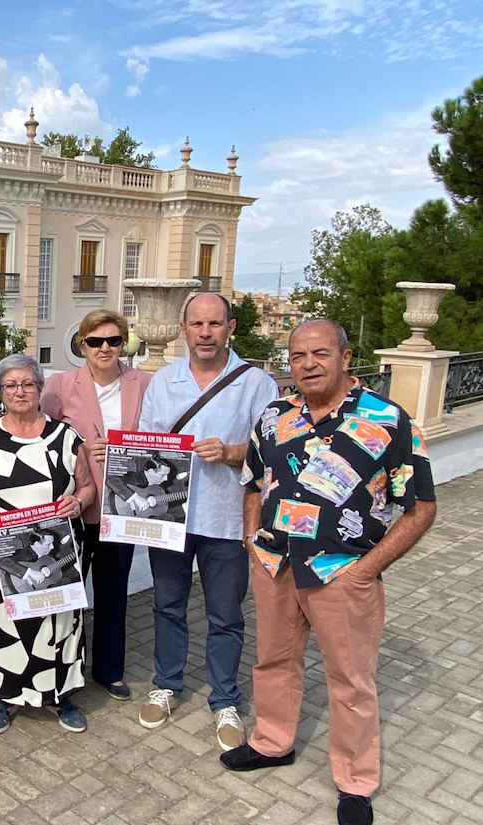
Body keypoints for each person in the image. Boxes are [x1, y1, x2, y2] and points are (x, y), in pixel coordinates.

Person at [223, 320, 436, 825]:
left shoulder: (388, 421)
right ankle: (274, 742)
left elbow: (421, 508)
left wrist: (366, 572)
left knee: (350, 681)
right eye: (298, 356)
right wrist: (253, 539)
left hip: (343, 573)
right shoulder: (275, 415)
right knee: (273, 662)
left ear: (346, 356)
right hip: (275, 566)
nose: (308, 364)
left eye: (320, 353)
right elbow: (253, 481)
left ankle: (355, 782)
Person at [136, 292, 279, 751]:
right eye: (196, 324)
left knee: (226, 615)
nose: (205, 332)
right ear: (184, 329)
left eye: (214, 324)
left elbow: (273, 452)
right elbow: (144, 447)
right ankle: (168, 683)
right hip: (169, 518)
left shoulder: (256, 383)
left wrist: (233, 453)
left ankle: (225, 699)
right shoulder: (164, 381)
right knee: (168, 607)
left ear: (230, 328)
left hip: (226, 518)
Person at [0, 353, 96, 734]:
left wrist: (79, 501)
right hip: (2, 552)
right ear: (1, 392)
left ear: (40, 388)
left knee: (57, 623)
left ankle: (61, 696)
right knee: (6, 622)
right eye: (10, 385)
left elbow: (86, 486)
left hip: (56, 553)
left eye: (27, 384)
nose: (19, 391)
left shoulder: (65, 437)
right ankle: (2, 697)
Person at [41, 309, 150, 701]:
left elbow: (160, 440)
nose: (105, 348)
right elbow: (39, 435)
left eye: (113, 340)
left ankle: (108, 670)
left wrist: (128, 448)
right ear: (81, 345)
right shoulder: (59, 384)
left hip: (123, 511)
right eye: (95, 341)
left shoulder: (144, 383)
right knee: (66, 593)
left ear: (124, 343)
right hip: (72, 507)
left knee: (112, 592)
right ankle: (60, 670)